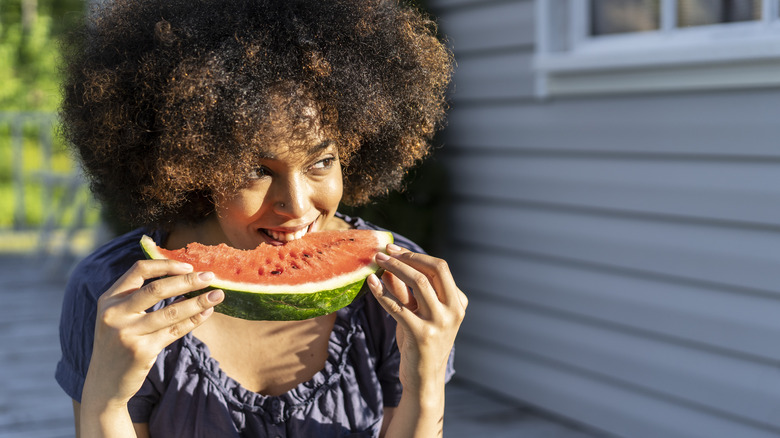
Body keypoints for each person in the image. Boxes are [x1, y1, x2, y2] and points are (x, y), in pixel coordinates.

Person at [55, 0, 467, 436]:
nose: (298, 205)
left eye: (321, 161)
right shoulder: (114, 293)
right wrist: (106, 397)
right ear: (192, 165)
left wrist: (425, 379)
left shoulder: (398, 283)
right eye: (256, 171)